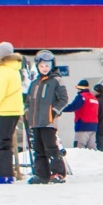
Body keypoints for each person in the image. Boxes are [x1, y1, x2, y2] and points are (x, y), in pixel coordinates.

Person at [24, 50, 68, 184]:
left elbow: (63, 99)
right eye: (42, 66)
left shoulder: (56, 81)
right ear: (37, 66)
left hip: (48, 121)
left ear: (52, 66)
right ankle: (41, 174)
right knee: (38, 148)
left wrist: (54, 111)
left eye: (47, 66)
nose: (44, 68)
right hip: (35, 121)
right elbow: (29, 100)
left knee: (51, 147)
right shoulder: (35, 83)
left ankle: (58, 173)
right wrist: (27, 111)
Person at [0, 42, 24, 184]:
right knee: (4, 142)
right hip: (15, 109)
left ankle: (5, 174)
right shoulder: (14, 69)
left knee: (2, 143)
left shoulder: (2, 71)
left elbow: (0, 93)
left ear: (0, 56)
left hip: (6, 110)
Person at [62, 79, 100, 148]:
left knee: (79, 147)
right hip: (93, 126)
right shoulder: (94, 98)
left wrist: (60, 109)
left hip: (83, 125)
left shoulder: (82, 97)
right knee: (91, 148)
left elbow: (73, 106)